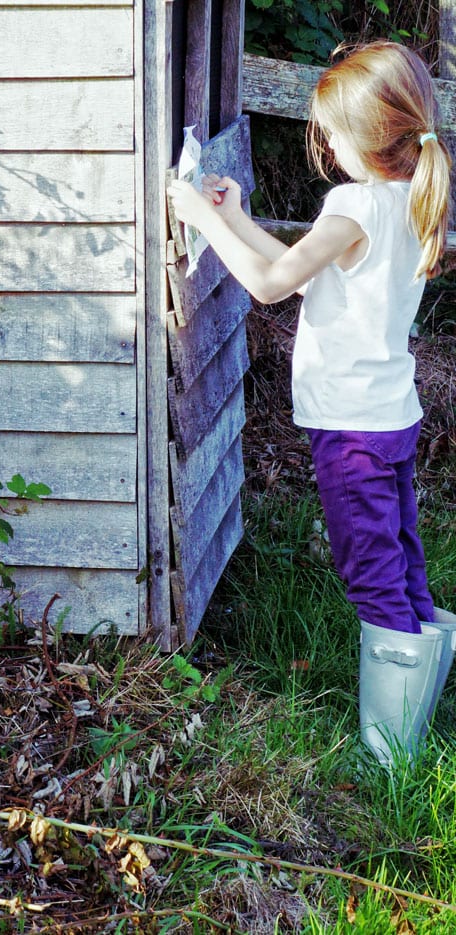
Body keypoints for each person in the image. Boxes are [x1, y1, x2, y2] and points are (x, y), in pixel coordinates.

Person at [168, 40, 455, 767]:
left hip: (351, 424)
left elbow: (267, 287)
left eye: (329, 130)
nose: (322, 142)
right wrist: (230, 219)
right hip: (388, 416)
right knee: (401, 562)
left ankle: (387, 756)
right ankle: (413, 728)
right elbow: (302, 278)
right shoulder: (403, 200)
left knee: (370, 572)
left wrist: (202, 225)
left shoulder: (354, 203)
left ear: (362, 135)